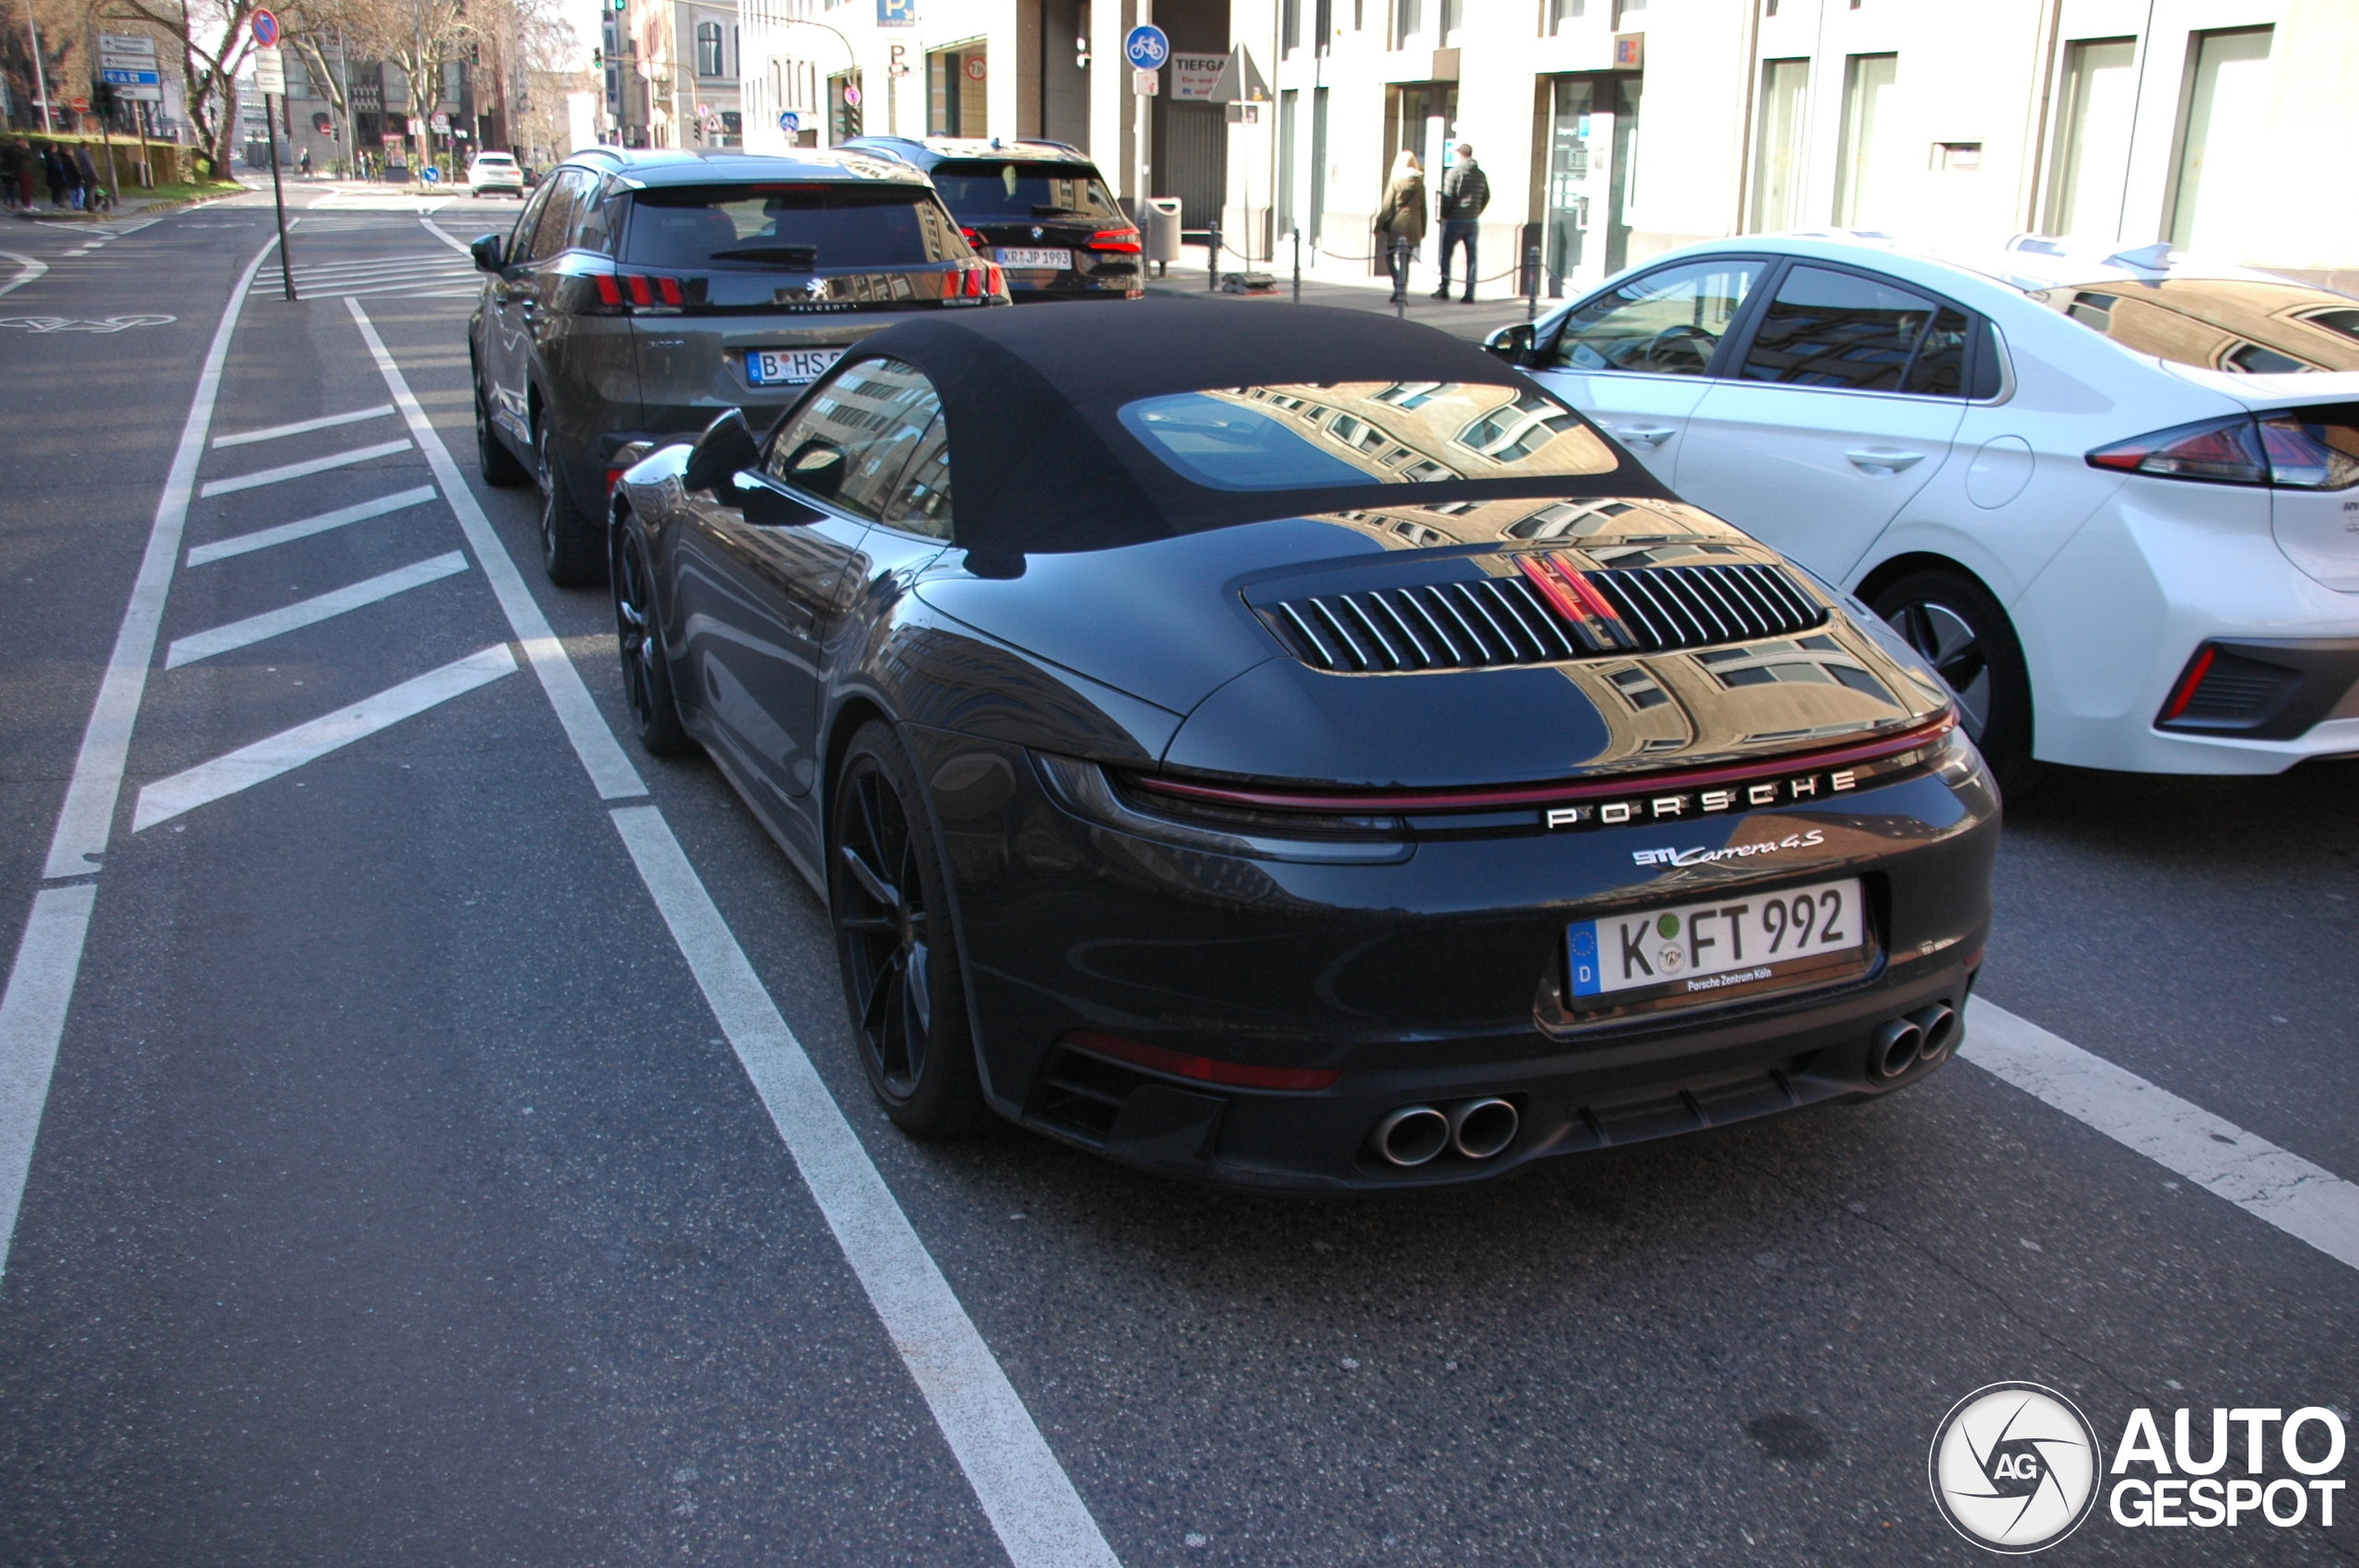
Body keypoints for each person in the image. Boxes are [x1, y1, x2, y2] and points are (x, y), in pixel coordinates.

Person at [1432, 142, 1489, 303]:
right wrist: (1476, 210)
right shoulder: (1480, 175)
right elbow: (1486, 196)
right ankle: (1469, 293)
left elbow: (1448, 196)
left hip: (1455, 220)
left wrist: (1444, 215)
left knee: (1446, 254)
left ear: (1460, 155)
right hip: (1472, 221)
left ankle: (1444, 288)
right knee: (1472, 258)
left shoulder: (1454, 173)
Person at [1374, 149, 1427, 306]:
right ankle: (1401, 290)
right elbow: (1424, 208)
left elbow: (1386, 206)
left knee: (1390, 256)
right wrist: (1423, 228)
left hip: (1398, 224)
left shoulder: (1396, 181)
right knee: (1406, 259)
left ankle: (1398, 285)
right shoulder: (1419, 183)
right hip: (1414, 225)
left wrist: (1378, 227)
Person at [74, 144, 101, 212]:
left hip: (85, 175)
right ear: (86, 147)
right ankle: (91, 207)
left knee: (88, 191)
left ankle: (88, 205)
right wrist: (97, 177)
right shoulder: (86, 155)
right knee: (91, 191)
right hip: (90, 175)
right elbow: (91, 167)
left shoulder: (79, 154)